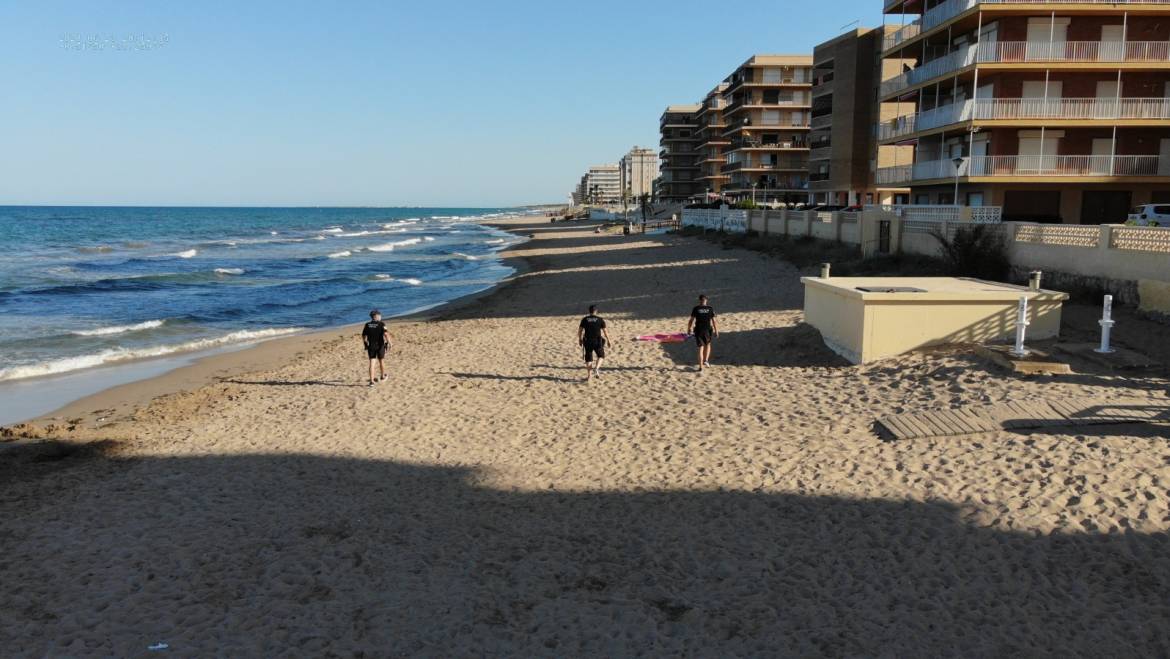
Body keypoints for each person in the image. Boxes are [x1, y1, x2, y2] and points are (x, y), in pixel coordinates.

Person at [577, 305, 611, 381]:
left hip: (587, 341)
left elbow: (580, 331)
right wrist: (609, 340)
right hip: (597, 341)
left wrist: (580, 339)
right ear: (596, 311)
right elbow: (605, 331)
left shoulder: (585, 319)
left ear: (589, 311)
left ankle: (589, 376)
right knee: (601, 355)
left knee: (588, 358)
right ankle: (596, 368)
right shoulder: (600, 319)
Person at [687, 294, 718, 371]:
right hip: (708, 329)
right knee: (708, 344)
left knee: (700, 348)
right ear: (706, 300)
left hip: (698, 330)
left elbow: (691, 320)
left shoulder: (696, 308)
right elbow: (714, 321)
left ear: (699, 300)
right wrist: (716, 331)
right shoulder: (710, 308)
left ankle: (700, 367)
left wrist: (689, 328)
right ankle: (706, 360)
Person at [361, 309, 392, 386]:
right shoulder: (382, 324)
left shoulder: (367, 325)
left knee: (372, 363)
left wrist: (365, 343)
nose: (381, 316)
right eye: (379, 315)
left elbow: (364, 335)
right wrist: (390, 343)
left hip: (371, 346)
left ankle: (371, 381)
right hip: (380, 345)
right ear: (376, 316)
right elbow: (386, 334)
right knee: (381, 361)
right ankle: (382, 376)